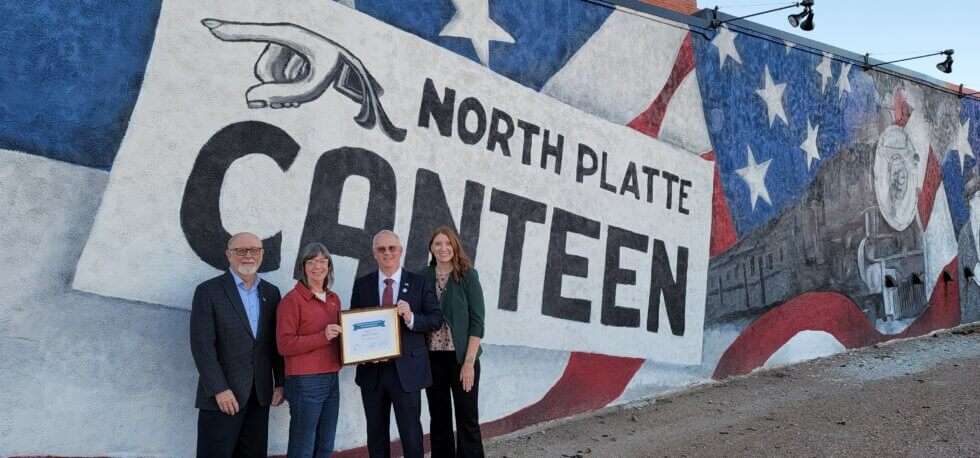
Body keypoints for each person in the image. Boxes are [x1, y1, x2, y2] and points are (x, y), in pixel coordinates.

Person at [190, 232, 285, 457]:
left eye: (254, 250)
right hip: (223, 398)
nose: (248, 256)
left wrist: (280, 382)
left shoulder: (271, 293)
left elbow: (275, 343)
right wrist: (219, 389)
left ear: (262, 254)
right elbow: (202, 346)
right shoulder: (208, 291)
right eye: (241, 250)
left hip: (260, 395)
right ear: (228, 255)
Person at [350, 230, 444, 458]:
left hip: (407, 371)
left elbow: (435, 319)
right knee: (376, 433)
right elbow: (354, 323)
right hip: (372, 372)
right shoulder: (363, 285)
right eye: (381, 249)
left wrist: (411, 317)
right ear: (374, 254)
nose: (387, 253)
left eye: (392, 248)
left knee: (411, 433)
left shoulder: (419, 283)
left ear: (400, 251)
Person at [423, 226, 486, 458]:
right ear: (431, 247)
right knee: (439, 418)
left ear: (455, 246)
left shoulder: (467, 275)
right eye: (438, 244)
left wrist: (469, 363)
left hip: (461, 358)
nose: (443, 248)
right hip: (432, 358)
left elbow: (478, 322)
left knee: (467, 418)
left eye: (448, 244)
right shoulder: (423, 276)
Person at [277, 243, 344, 457]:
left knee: (325, 444)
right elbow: (284, 345)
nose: (318, 266)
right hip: (305, 381)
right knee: (303, 447)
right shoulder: (292, 301)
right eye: (311, 261)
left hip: (331, 377)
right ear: (303, 267)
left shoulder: (334, 299)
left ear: (329, 266)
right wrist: (322, 337)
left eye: (323, 261)